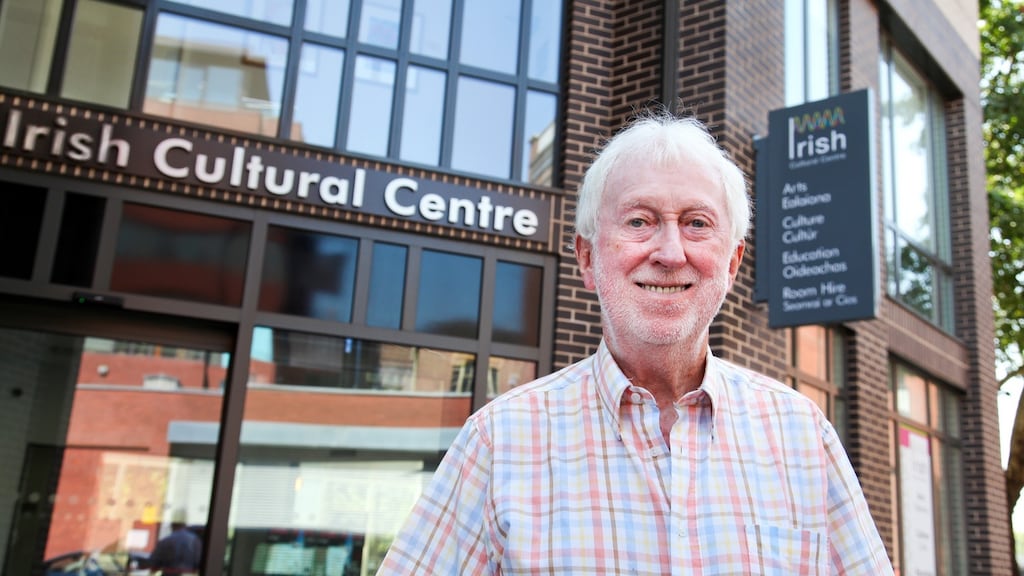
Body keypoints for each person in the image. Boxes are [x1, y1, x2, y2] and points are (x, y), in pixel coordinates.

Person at [376, 111, 893, 574]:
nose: (670, 252)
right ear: (586, 258)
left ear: (732, 264)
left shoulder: (801, 437)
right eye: (640, 221)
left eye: (696, 224)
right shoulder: (500, 441)